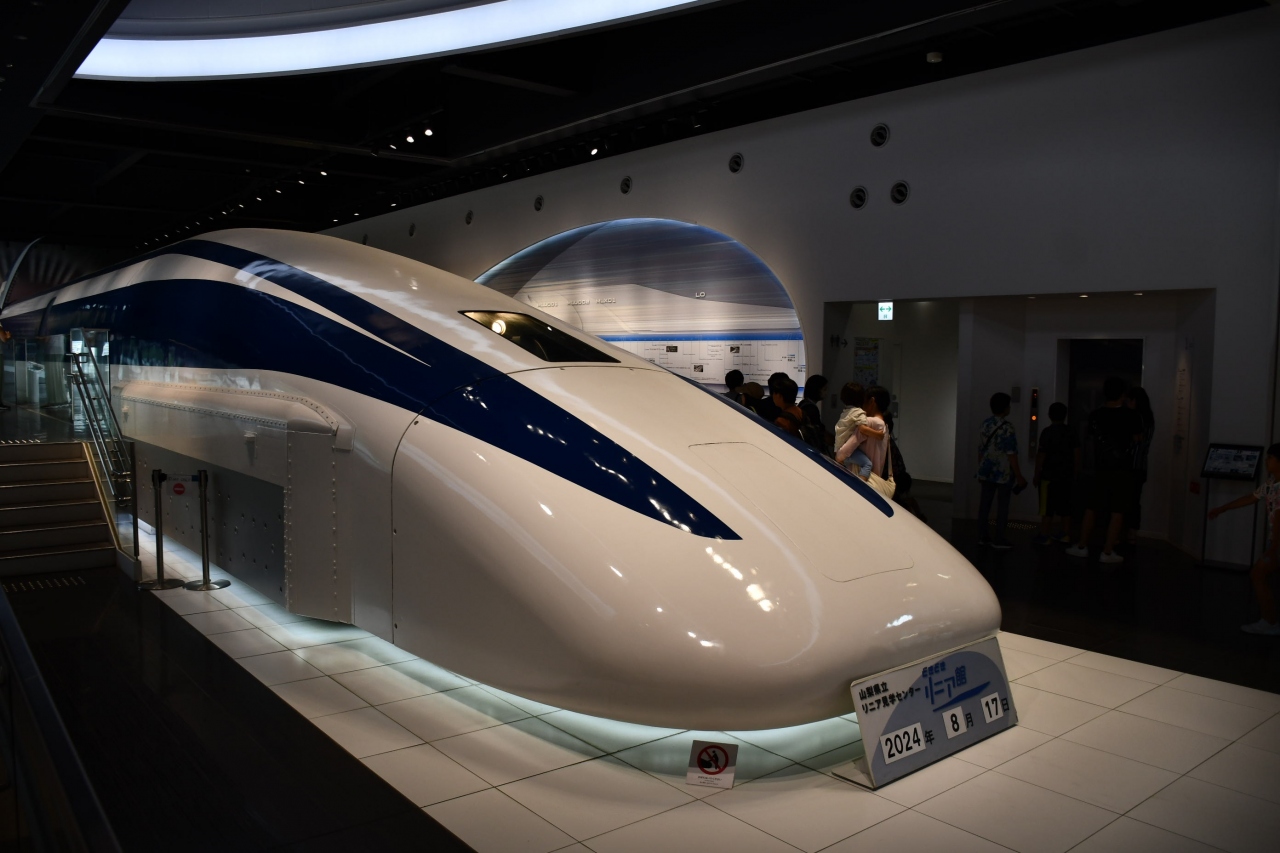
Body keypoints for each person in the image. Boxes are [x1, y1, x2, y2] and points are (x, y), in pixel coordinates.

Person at [1066, 376, 1144, 564]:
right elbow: (1138, 439)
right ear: (1123, 394)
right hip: (1123, 469)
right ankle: (1107, 551)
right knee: (1117, 510)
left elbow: (1090, 438)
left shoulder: (1096, 415)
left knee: (1091, 507)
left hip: (1100, 469)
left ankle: (1082, 546)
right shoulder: (1132, 415)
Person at [1208, 443, 1280, 636]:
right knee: (1259, 576)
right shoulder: (1271, 483)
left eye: (1270, 458)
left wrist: (1274, 548)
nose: (1266, 461)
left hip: (1277, 544)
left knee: (1258, 575)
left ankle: (1270, 622)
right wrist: (1222, 508)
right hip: (1275, 543)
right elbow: (1251, 497)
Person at [976, 392, 1026, 550]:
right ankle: (999, 538)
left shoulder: (985, 424)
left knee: (985, 505)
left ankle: (983, 536)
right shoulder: (1008, 428)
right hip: (1003, 472)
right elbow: (1011, 454)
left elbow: (981, 449)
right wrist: (1019, 475)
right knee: (1002, 506)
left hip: (986, 470)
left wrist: (980, 468)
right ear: (1005, 408)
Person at [1033, 402, 1079, 545]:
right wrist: (1076, 473)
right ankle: (1065, 534)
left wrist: (1036, 474)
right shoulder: (1071, 431)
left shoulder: (1047, 432)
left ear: (1049, 415)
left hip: (1049, 476)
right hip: (1067, 475)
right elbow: (1077, 454)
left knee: (1047, 508)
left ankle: (1044, 535)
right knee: (1066, 507)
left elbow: (1041, 455)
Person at [835, 384, 885, 479]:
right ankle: (860, 484)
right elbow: (862, 429)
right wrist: (878, 434)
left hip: (839, 447)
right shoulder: (859, 413)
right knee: (867, 464)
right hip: (848, 452)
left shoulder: (845, 412)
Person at [1125, 386, 1155, 542]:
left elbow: (1134, 442)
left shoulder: (1135, 419)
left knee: (1125, 500)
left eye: (1129, 400)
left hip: (1130, 465)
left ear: (1134, 401)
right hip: (1141, 466)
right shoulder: (1149, 419)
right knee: (1135, 500)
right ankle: (1132, 532)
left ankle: (1122, 532)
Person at [798, 374, 830, 452]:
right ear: (817, 390)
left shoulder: (803, 403)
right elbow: (819, 432)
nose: (826, 392)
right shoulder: (811, 409)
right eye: (824, 389)